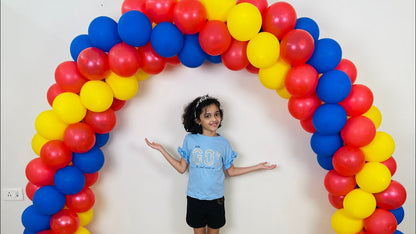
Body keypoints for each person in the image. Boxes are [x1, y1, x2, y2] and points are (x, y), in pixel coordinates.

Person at [145, 95, 277, 234]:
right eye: (207, 116)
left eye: (216, 114)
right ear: (198, 120)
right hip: (195, 199)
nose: (214, 119)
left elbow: (231, 171)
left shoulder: (224, 143)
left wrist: (257, 167)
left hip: (216, 200)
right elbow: (181, 168)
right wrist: (161, 149)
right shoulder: (190, 139)